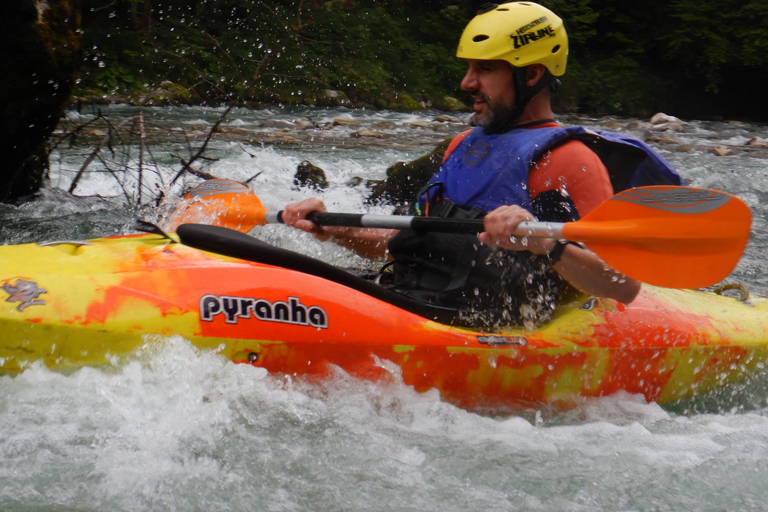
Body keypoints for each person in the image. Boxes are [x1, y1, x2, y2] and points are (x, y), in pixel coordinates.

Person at [281, 2, 682, 328]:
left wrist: (544, 242)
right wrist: (332, 228)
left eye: (484, 69)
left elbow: (622, 285)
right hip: (410, 299)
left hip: (481, 325)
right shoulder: (463, 146)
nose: (467, 83)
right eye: (470, 68)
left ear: (532, 74)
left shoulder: (571, 160)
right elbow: (408, 243)